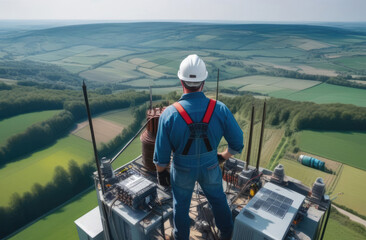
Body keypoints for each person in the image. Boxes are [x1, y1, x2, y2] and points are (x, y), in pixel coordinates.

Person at [153, 54, 244, 240]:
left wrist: (161, 173)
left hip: (182, 170)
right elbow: (237, 142)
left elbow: (161, 157)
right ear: (203, 82)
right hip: (210, 166)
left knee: (181, 206)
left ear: (181, 81)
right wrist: (223, 156)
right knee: (218, 201)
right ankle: (227, 234)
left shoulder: (169, 114)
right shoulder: (219, 109)